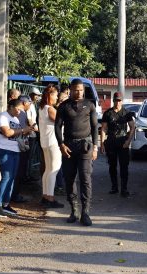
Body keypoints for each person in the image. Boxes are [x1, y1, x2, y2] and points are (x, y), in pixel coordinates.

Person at [55, 79, 98, 226]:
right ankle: (74, 210)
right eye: (75, 90)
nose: (78, 92)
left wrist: (96, 147)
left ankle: (85, 212)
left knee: (85, 178)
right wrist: (61, 144)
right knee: (69, 178)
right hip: (68, 147)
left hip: (85, 146)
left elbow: (94, 128)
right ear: (70, 90)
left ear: (83, 90)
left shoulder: (90, 105)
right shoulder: (63, 106)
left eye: (80, 90)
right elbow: (57, 126)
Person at [0, 99, 34, 217]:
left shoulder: (15, 119)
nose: (20, 112)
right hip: (3, 149)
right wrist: (22, 130)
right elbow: (7, 132)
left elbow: (17, 134)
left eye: (21, 110)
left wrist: (27, 131)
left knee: (12, 178)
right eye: (18, 109)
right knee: (6, 177)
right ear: (10, 106)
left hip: (15, 150)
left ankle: (6, 204)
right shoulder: (3, 116)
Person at [100, 92, 135, 197]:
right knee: (112, 166)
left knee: (124, 167)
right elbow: (103, 129)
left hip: (123, 143)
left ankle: (124, 189)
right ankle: (114, 187)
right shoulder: (108, 113)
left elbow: (133, 127)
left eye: (119, 100)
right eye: (116, 100)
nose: (117, 102)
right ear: (113, 100)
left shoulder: (126, 113)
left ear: (122, 101)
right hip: (111, 143)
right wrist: (102, 144)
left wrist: (128, 141)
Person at [39, 85, 64, 208]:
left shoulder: (42, 108)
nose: (57, 97)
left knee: (48, 170)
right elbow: (61, 122)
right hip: (53, 142)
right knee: (54, 170)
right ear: (49, 95)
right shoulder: (50, 109)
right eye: (55, 95)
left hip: (45, 142)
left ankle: (45, 196)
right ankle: (50, 198)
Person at [12, 95, 38, 203]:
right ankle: (15, 195)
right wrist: (30, 129)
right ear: (23, 103)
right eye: (29, 103)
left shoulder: (21, 113)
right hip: (19, 145)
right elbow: (22, 130)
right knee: (19, 171)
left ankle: (15, 194)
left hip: (19, 144)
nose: (30, 104)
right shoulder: (21, 113)